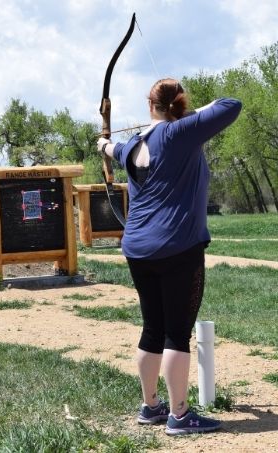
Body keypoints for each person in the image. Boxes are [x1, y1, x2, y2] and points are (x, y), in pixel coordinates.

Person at [97, 78, 242, 436]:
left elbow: (111, 148)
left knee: (153, 327)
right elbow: (231, 104)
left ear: (150, 105)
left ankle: (151, 407)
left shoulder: (132, 144)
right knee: (176, 333)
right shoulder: (180, 133)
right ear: (179, 103)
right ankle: (179, 414)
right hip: (177, 246)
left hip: (137, 247)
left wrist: (104, 143)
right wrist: (191, 113)